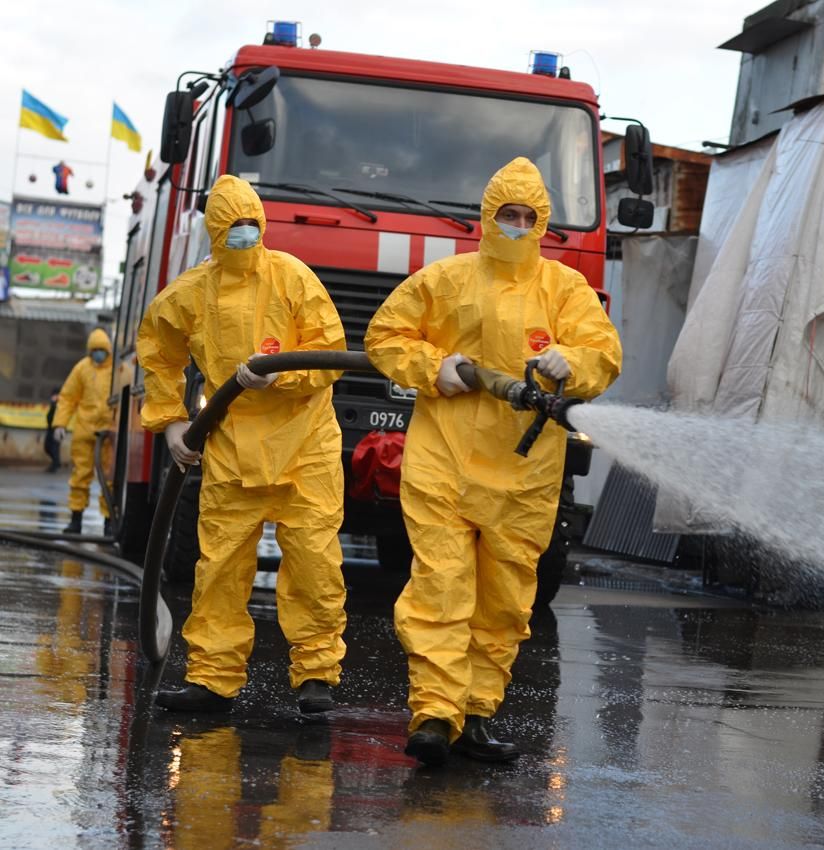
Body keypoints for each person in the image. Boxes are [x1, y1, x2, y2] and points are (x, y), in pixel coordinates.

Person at [365, 157, 621, 765]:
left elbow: (603, 352)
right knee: (440, 588)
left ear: (543, 222)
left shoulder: (565, 289)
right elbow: (385, 336)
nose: (517, 224)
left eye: (529, 216)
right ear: (488, 216)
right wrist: (436, 368)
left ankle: (476, 716)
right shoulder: (446, 281)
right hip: (445, 462)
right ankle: (433, 715)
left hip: (525, 477)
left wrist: (572, 362)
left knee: (505, 602)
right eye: (508, 213)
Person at [136, 175, 349, 715]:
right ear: (214, 231)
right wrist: (170, 423)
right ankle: (211, 679)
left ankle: (316, 677)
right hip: (232, 448)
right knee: (219, 570)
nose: (245, 234)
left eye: (252, 224)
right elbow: (158, 349)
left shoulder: (292, 277)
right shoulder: (191, 292)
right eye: (234, 227)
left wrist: (280, 377)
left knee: (315, 568)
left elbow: (330, 352)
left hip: (305, 447)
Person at [52, 329, 113, 534]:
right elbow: (68, 398)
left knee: (110, 479)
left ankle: (109, 522)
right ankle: (75, 519)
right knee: (80, 476)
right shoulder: (82, 369)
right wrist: (59, 424)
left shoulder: (117, 371)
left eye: (101, 350)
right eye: (94, 350)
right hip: (85, 432)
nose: (98, 353)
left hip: (108, 435)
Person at [44, 392, 62, 473]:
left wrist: (55, 402)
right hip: (50, 428)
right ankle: (56, 462)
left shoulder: (60, 404)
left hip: (57, 428)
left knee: (54, 447)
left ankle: (55, 464)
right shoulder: (53, 404)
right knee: (47, 447)